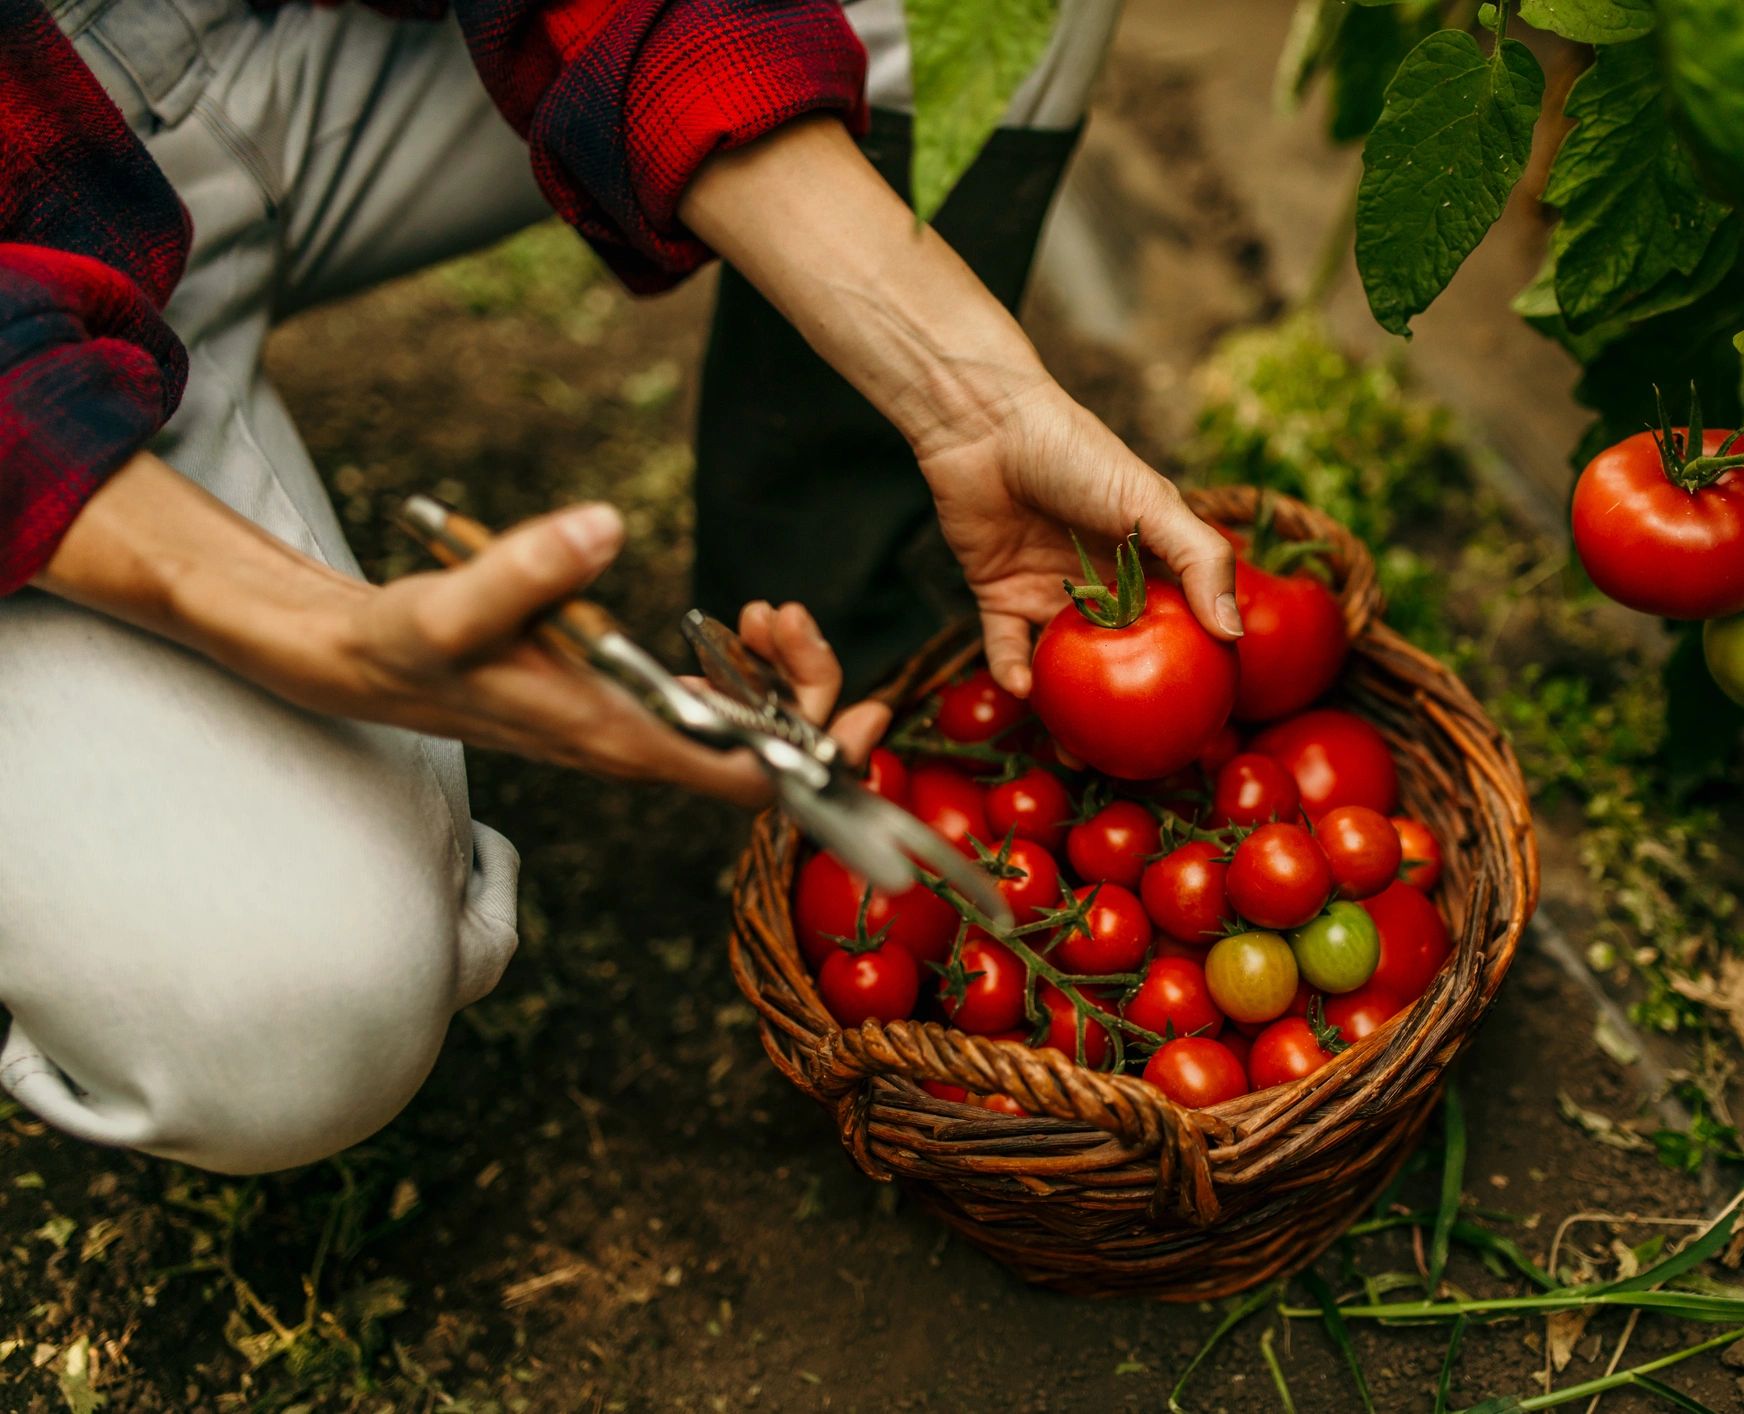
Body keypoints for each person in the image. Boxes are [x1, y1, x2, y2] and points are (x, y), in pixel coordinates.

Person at [0, 0, 1240, 1176]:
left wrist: (976, 398)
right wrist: (310, 629)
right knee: (281, 1015)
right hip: (29, 247)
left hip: (311, 39)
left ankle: (836, 646)